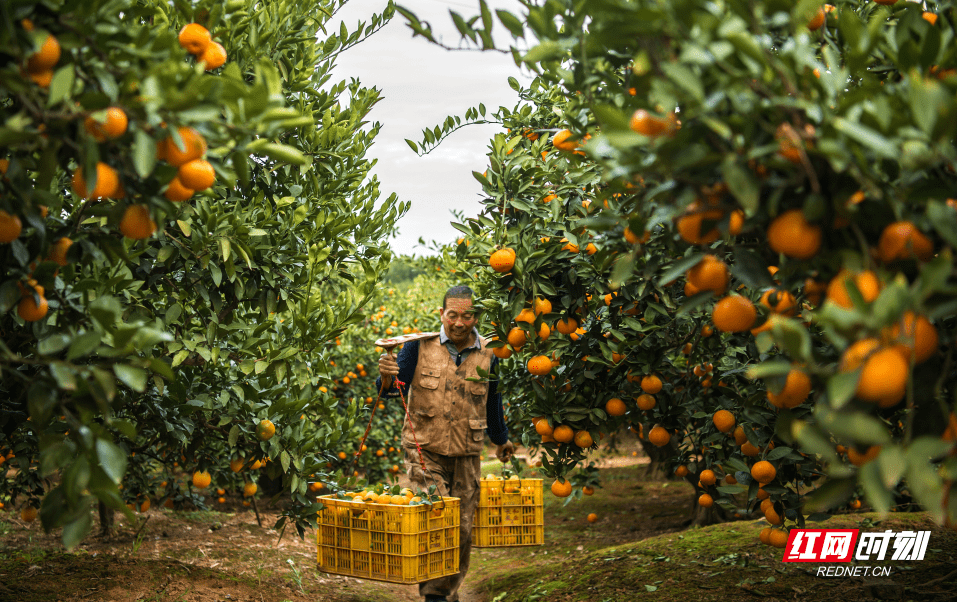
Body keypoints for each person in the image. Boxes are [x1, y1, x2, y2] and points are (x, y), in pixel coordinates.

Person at [377, 285, 514, 602]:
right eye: (453, 314)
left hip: (467, 452)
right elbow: (391, 388)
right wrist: (385, 377)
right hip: (424, 450)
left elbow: (493, 400)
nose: (459, 322)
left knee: (463, 529)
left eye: (467, 315)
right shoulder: (417, 347)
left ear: (475, 316)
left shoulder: (490, 352)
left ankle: (447, 590)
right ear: (442, 314)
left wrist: (501, 438)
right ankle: (435, 596)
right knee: (436, 520)